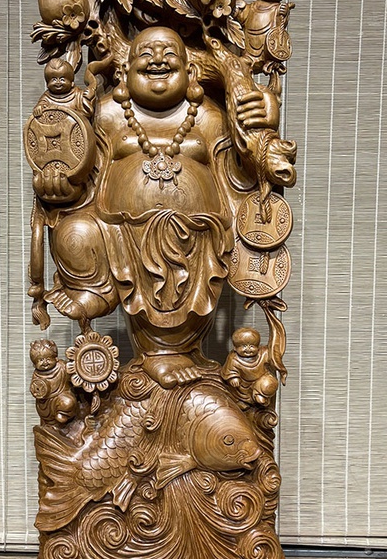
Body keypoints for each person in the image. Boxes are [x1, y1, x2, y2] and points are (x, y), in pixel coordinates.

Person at [41, 26, 275, 387]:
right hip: (118, 233)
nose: (158, 61)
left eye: (169, 55)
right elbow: (82, 174)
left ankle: (171, 352)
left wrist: (258, 127)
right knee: (74, 232)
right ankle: (97, 291)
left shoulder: (209, 117)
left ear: (190, 72)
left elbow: (239, 178)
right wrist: (59, 183)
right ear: (124, 70)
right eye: (146, 55)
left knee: (203, 240)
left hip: (198, 235)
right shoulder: (106, 115)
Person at [220, 327, 279, 407]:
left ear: (258, 347)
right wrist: (233, 378)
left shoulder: (263, 354)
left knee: (270, 381)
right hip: (243, 386)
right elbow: (229, 370)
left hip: (260, 381)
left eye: (251, 346)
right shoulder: (233, 358)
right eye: (244, 346)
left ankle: (260, 395)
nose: (248, 349)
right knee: (236, 391)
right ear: (235, 348)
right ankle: (247, 401)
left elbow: (273, 351)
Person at [29, 340, 78, 424]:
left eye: (48, 359)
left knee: (68, 402)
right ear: (34, 364)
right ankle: (50, 422)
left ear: (56, 358)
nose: (45, 362)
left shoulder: (62, 367)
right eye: (40, 360)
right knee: (43, 409)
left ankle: (62, 414)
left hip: (62, 396)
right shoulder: (37, 374)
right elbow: (35, 388)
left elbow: (73, 376)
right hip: (46, 402)